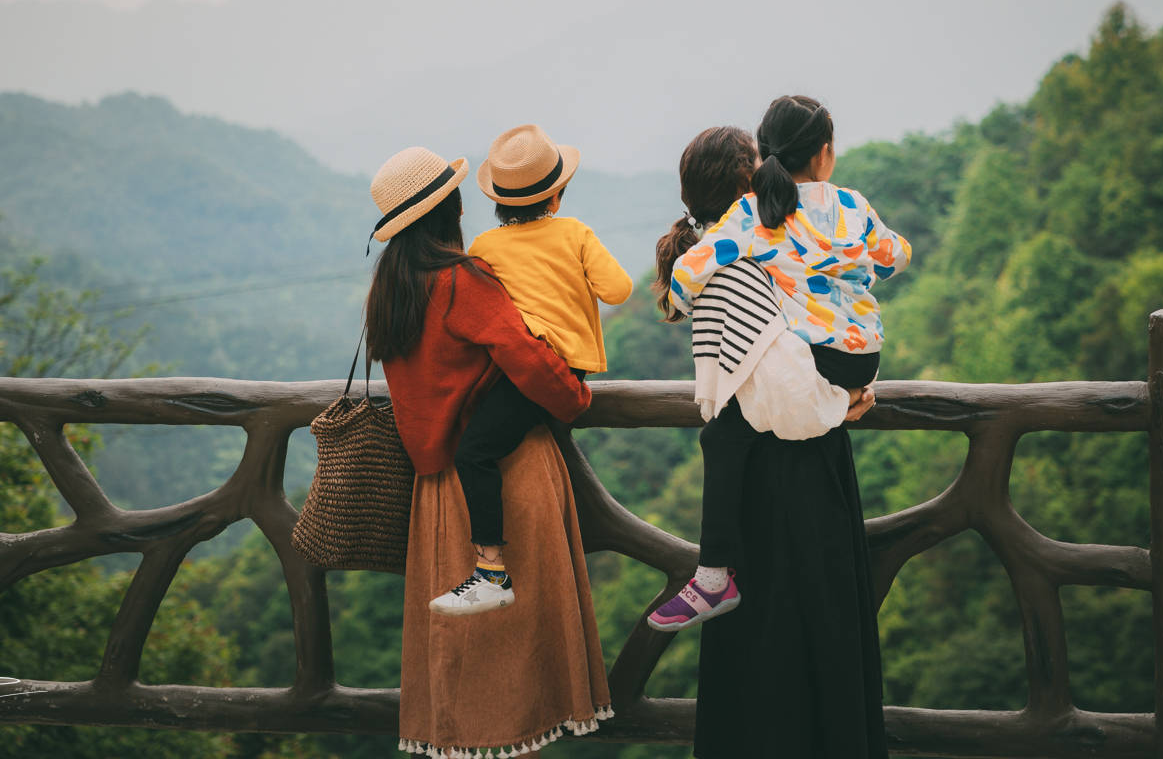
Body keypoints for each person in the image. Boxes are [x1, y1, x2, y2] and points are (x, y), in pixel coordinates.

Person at [364, 146, 613, 756]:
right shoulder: (462, 282)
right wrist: (577, 399)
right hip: (506, 478)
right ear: (450, 211)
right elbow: (526, 356)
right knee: (522, 659)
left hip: (436, 491)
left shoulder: (389, 292)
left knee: (459, 660)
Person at [648, 97, 909, 633]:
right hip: (864, 357)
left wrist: (680, 296)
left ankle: (714, 579)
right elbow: (895, 256)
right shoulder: (853, 205)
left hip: (813, 372)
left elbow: (690, 271)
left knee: (719, 437)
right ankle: (716, 579)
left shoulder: (754, 219)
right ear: (825, 154)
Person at [430, 124, 633, 615]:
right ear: (556, 196)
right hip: (568, 372)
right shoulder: (576, 233)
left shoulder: (484, 246)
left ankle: (492, 572)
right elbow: (619, 290)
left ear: (499, 200)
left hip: (527, 372)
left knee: (474, 452)